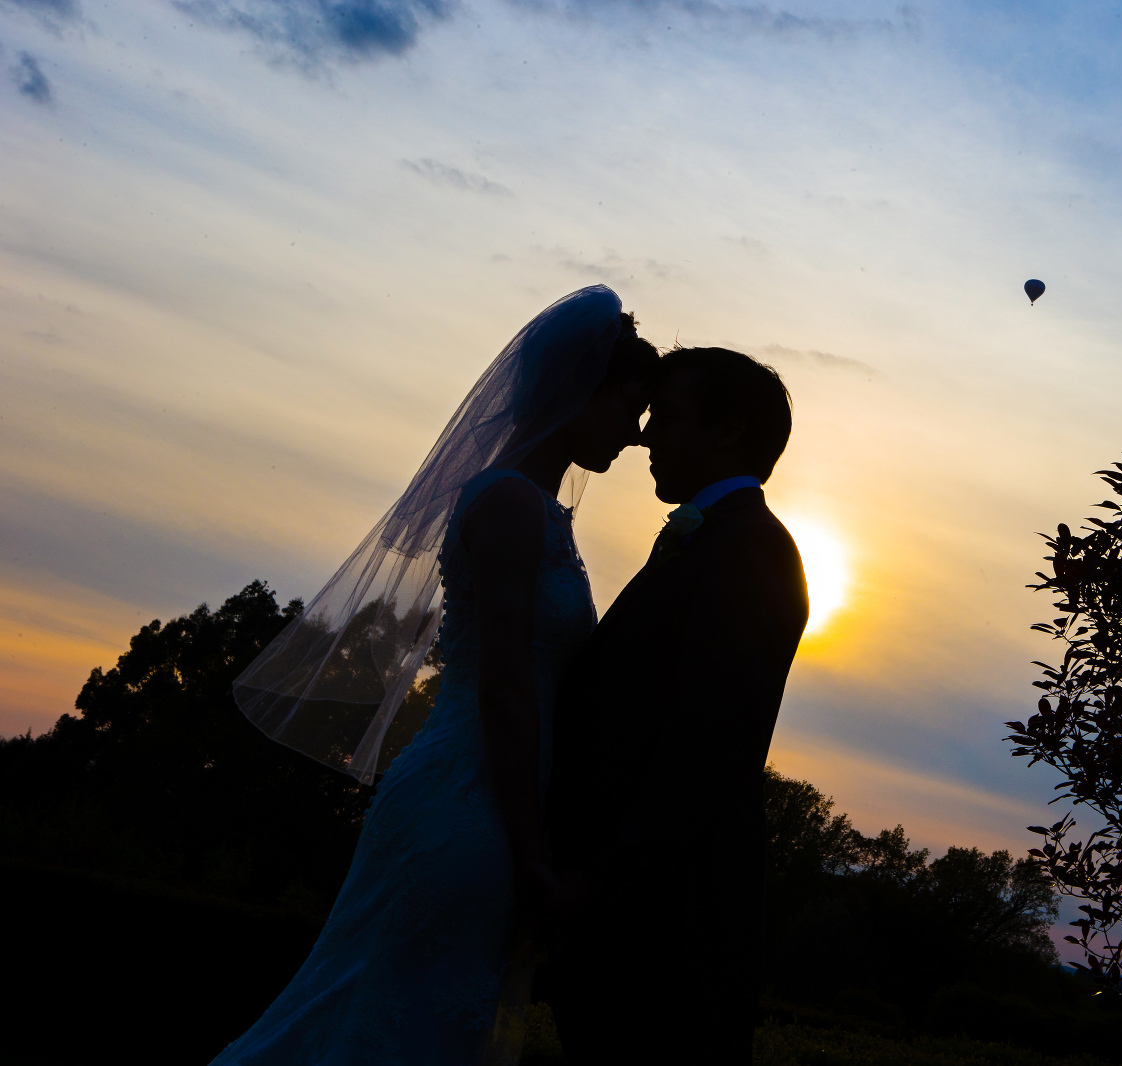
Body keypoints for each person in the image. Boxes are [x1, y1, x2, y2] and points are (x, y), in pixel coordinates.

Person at [217, 286, 659, 1066]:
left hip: (493, 798)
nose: (635, 434)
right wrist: (531, 853)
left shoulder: (540, 512)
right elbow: (505, 689)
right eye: (629, 408)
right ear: (582, 392)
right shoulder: (511, 507)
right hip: (469, 805)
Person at [545, 347, 810, 1065]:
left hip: (664, 936)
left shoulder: (751, 549)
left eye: (665, 417)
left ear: (727, 432)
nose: (644, 436)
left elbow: (706, 751)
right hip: (639, 924)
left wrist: (597, 889)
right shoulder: (713, 542)